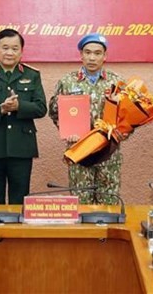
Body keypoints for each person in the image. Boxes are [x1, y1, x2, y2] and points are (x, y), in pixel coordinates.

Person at [0, 29, 47, 204]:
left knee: (20, 200)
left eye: (14, 48)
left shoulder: (32, 75)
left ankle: (17, 233)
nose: (9, 53)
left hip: (22, 147)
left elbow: (41, 108)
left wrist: (20, 106)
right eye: (5, 48)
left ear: (21, 51)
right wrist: (0, 110)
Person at [48, 33, 124, 205]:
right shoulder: (67, 82)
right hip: (80, 150)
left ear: (105, 56)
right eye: (87, 52)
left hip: (108, 152)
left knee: (109, 203)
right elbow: (54, 111)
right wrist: (67, 131)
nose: (92, 57)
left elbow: (127, 116)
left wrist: (119, 133)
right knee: (81, 203)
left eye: (97, 53)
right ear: (81, 55)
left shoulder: (116, 82)